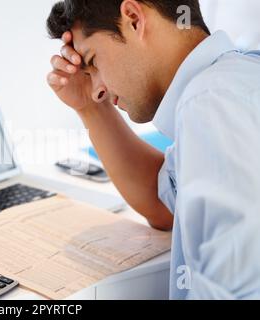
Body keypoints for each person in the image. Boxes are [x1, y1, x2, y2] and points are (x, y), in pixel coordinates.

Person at [46, 0, 260, 299]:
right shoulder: (229, 82)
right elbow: (165, 207)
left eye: (93, 61)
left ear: (134, 18)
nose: (98, 90)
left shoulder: (210, 101)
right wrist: (90, 108)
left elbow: (233, 291)